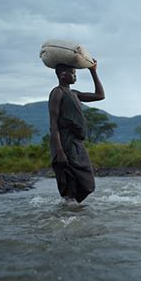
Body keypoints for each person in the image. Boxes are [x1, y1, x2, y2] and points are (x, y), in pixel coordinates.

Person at [48, 61, 105, 203]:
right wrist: (59, 151)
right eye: (73, 73)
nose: (75, 76)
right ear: (62, 75)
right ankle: (69, 213)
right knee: (69, 182)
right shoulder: (57, 92)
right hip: (64, 143)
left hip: (76, 143)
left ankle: (73, 210)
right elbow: (53, 124)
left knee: (87, 183)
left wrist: (93, 71)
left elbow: (100, 95)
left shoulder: (74, 93)